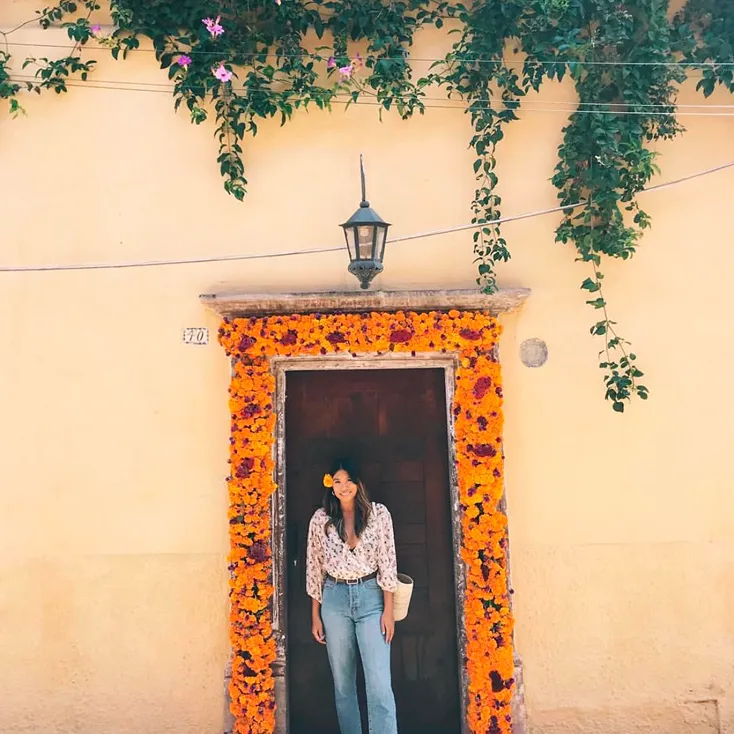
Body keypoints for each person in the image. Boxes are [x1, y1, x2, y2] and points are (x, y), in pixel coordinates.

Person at [306, 457, 399, 734]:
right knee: (343, 684)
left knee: (379, 682)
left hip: (372, 598)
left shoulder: (378, 514)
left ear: (358, 484)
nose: (343, 486)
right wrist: (315, 615)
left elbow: (388, 561)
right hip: (334, 600)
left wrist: (388, 610)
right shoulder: (320, 520)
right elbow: (314, 568)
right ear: (330, 486)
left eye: (348, 480)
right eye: (337, 481)